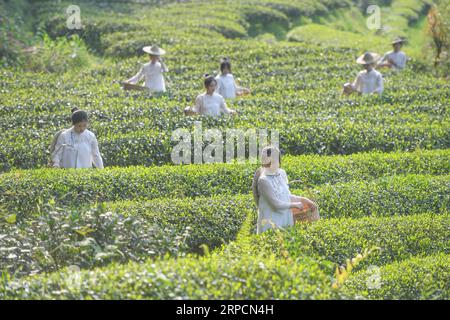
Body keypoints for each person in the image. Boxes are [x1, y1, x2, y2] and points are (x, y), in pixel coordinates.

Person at [251, 146, 319, 234]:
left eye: (274, 161)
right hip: (271, 222)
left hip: (286, 219)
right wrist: (294, 205)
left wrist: (304, 200)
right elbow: (275, 204)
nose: (271, 164)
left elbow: (285, 196)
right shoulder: (263, 180)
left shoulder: (281, 173)